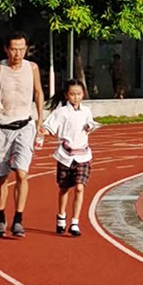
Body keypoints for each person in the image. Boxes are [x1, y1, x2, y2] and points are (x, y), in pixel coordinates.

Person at [0, 30, 42, 240]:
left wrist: (40, 121)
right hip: (1, 127)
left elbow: (38, 92)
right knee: (2, 176)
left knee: (22, 173)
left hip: (25, 126)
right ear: (6, 49)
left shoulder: (32, 68)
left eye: (22, 49)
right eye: (14, 49)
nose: (18, 53)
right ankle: (0, 217)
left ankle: (19, 220)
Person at [44, 79, 98, 235]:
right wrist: (43, 132)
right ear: (67, 95)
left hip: (83, 155)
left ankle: (75, 222)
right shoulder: (61, 112)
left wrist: (90, 126)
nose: (76, 97)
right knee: (64, 188)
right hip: (65, 156)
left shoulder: (86, 111)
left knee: (80, 187)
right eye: (73, 94)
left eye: (79, 94)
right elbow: (49, 127)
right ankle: (61, 216)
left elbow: (91, 124)